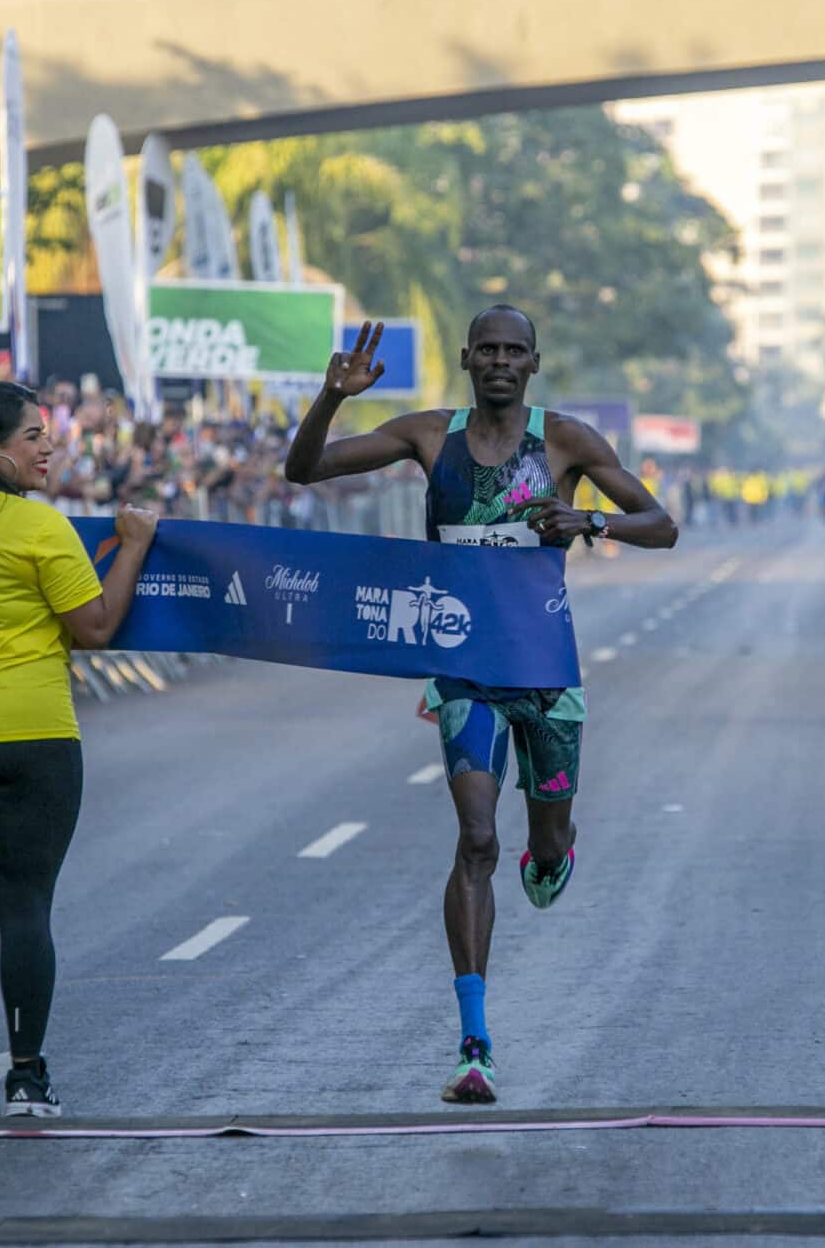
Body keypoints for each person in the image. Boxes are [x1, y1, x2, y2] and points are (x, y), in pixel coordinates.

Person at [284, 310, 677, 1104]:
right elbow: (306, 470)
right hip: (463, 668)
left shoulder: (565, 442)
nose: (499, 361)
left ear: (534, 362)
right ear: (466, 359)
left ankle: (553, 851)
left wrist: (588, 517)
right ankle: (475, 1042)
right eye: (486, 350)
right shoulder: (431, 436)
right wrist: (330, 397)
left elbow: (661, 524)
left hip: (546, 673)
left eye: (514, 351)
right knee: (475, 839)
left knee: (545, 844)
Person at [0, 381, 159, 1119]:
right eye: (32, 436)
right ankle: (27, 1078)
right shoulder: (38, 528)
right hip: (32, 733)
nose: (48, 446)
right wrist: (134, 545)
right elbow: (97, 626)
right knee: (23, 907)